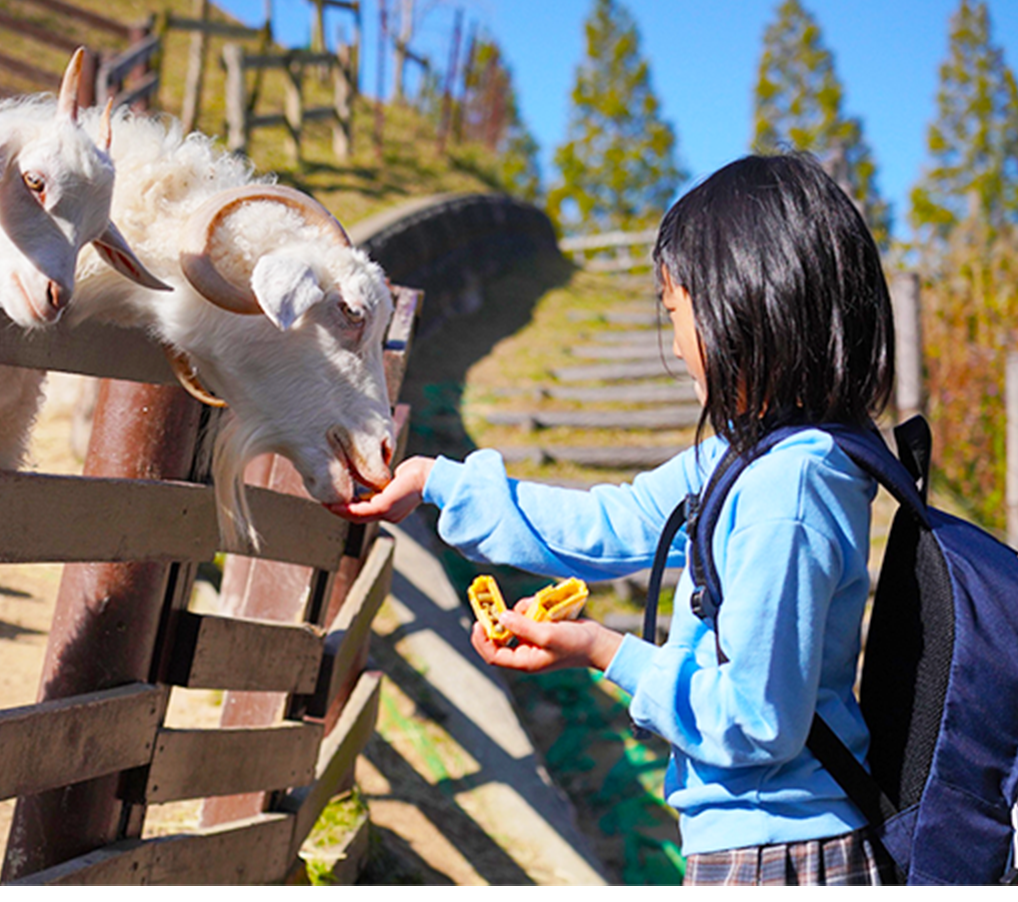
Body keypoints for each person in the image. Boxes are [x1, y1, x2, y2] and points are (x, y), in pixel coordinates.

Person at [330, 154, 895, 885]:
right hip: (751, 838)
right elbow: (615, 521)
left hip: (786, 854)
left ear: (744, 304)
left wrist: (603, 650)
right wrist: (437, 483)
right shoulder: (747, 457)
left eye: (676, 309)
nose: (679, 340)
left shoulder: (788, 489)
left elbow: (756, 717)